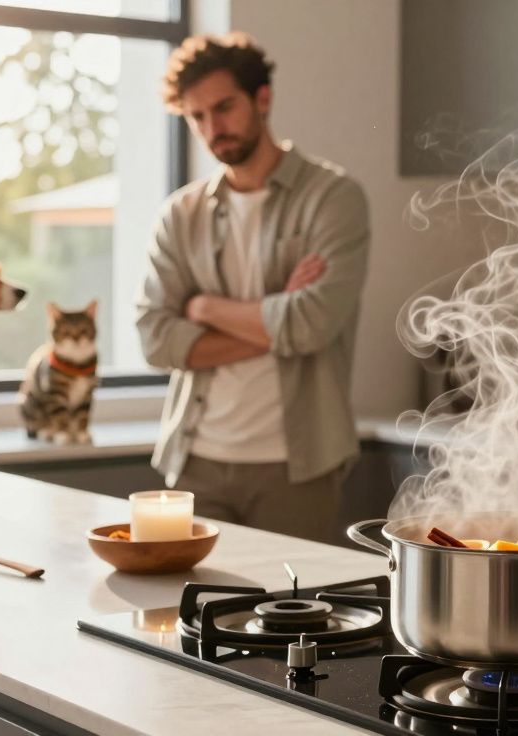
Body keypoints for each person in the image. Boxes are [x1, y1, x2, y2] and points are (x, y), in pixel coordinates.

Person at [136, 31, 369, 544]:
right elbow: (155, 339)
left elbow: (311, 325)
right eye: (197, 117)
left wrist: (203, 308)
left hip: (297, 467)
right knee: (189, 621)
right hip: (194, 461)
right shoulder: (180, 214)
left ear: (262, 98)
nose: (212, 128)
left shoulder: (334, 198)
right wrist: (275, 314)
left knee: (291, 621)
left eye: (224, 107)